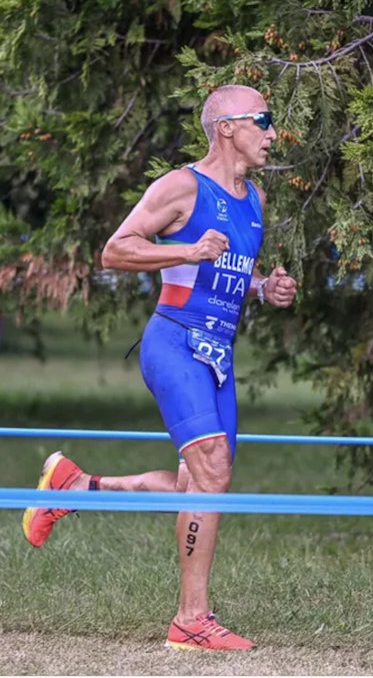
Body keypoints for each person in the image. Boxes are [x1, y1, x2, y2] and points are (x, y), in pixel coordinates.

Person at [22, 84, 297, 651]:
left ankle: (76, 485)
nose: (273, 133)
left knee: (200, 483)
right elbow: (116, 250)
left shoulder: (256, 198)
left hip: (218, 354)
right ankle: (191, 619)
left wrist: (262, 288)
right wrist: (185, 250)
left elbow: (224, 273)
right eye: (263, 120)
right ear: (227, 127)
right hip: (174, 343)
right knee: (212, 471)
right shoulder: (181, 187)